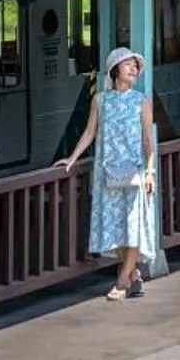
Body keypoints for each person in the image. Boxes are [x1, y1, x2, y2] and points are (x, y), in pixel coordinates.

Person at [59, 46, 160, 300]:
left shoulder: (141, 101)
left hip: (134, 172)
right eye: (128, 64)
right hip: (107, 171)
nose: (133, 69)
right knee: (114, 228)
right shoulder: (100, 100)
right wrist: (72, 158)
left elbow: (148, 141)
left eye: (135, 66)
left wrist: (150, 172)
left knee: (133, 226)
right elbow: (90, 132)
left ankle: (122, 281)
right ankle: (133, 273)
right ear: (115, 70)